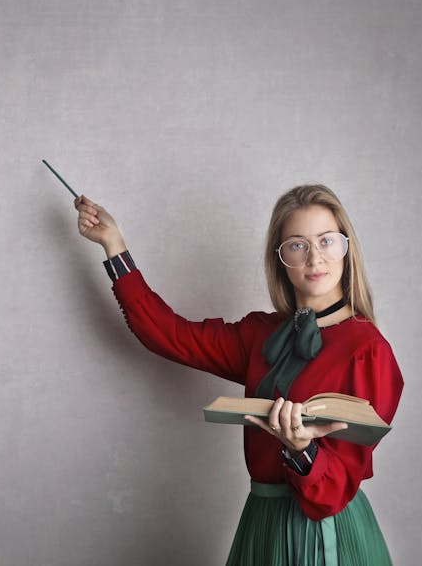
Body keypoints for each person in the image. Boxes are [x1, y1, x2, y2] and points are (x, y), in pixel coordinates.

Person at [73, 184, 403, 566]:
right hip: (261, 522)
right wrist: (114, 245)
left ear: (347, 248)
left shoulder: (368, 350)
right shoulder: (261, 334)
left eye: (327, 241)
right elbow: (167, 335)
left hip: (324, 533)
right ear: (280, 258)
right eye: (297, 245)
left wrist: (302, 451)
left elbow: (333, 492)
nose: (315, 258)